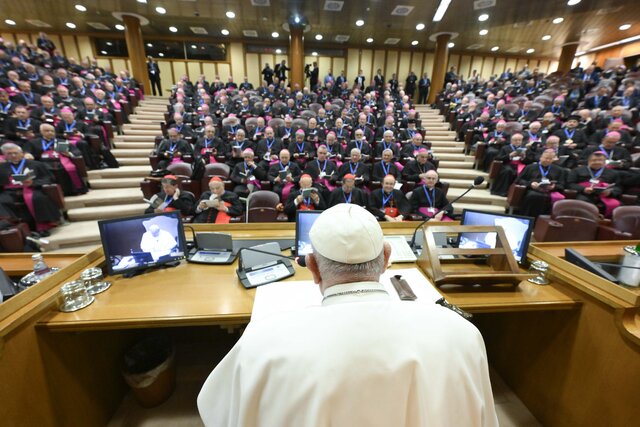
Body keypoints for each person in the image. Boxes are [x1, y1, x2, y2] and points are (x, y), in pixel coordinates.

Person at [198, 203, 498, 427]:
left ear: (312, 266)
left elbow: (217, 412)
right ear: (386, 259)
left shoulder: (261, 342)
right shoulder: (460, 332)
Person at [0, 143, 61, 235]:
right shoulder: (2, 167)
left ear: (21, 153)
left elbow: (49, 178)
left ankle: (43, 226)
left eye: (15, 153)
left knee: (38, 198)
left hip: (32, 189)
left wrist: (33, 182)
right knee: (2, 201)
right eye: (9, 154)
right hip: (10, 192)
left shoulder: (36, 164)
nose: (13, 155)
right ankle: (13, 224)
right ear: (4, 155)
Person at [567, 151, 622, 217]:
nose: (597, 162)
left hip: (604, 195)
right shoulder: (577, 170)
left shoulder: (613, 173)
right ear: (589, 161)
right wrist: (583, 189)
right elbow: (570, 184)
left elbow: (618, 187)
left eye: (600, 160)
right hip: (584, 194)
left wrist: (610, 192)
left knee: (616, 204)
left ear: (604, 162)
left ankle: (604, 223)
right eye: (594, 160)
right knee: (583, 202)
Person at [516, 149, 566, 218]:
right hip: (533, 190)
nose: (548, 160)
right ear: (541, 157)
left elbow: (561, 185)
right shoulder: (530, 167)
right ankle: (527, 218)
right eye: (546, 158)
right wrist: (530, 184)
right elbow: (519, 180)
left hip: (549, 192)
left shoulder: (559, 170)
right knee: (533, 196)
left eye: (550, 159)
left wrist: (554, 187)